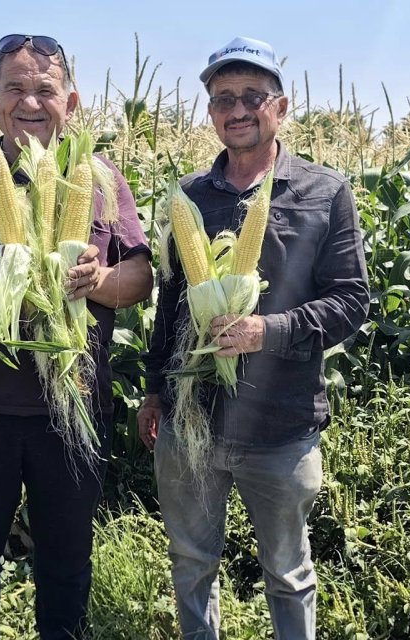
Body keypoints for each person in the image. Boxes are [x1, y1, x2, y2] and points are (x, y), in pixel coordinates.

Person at [0, 33, 153, 640]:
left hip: (72, 411)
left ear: (71, 101)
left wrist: (96, 281)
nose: (31, 102)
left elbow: (141, 277)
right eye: (15, 88)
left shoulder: (100, 176)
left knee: (66, 564)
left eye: (45, 89)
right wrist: (2, 293)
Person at [138, 36, 369, 640]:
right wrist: (156, 389)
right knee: (191, 565)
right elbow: (171, 302)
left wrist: (265, 331)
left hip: (281, 428)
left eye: (251, 96)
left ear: (281, 106)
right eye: (222, 99)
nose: (236, 110)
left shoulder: (325, 192)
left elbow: (351, 303)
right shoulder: (188, 196)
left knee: (288, 574)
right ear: (211, 112)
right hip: (195, 422)